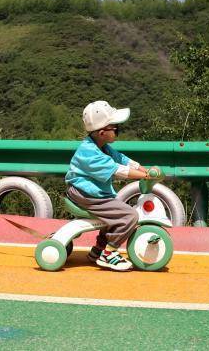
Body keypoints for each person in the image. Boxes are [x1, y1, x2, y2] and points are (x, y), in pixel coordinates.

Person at [65, 100, 152, 271]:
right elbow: (117, 170)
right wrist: (146, 176)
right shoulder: (89, 152)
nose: (118, 130)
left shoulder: (101, 146)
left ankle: (97, 251)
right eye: (116, 128)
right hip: (84, 193)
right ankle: (109, 253)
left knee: (115, 213)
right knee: (129, 216)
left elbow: (121, 159)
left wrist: (144, 169)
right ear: (102, 132)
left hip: (92, 191)